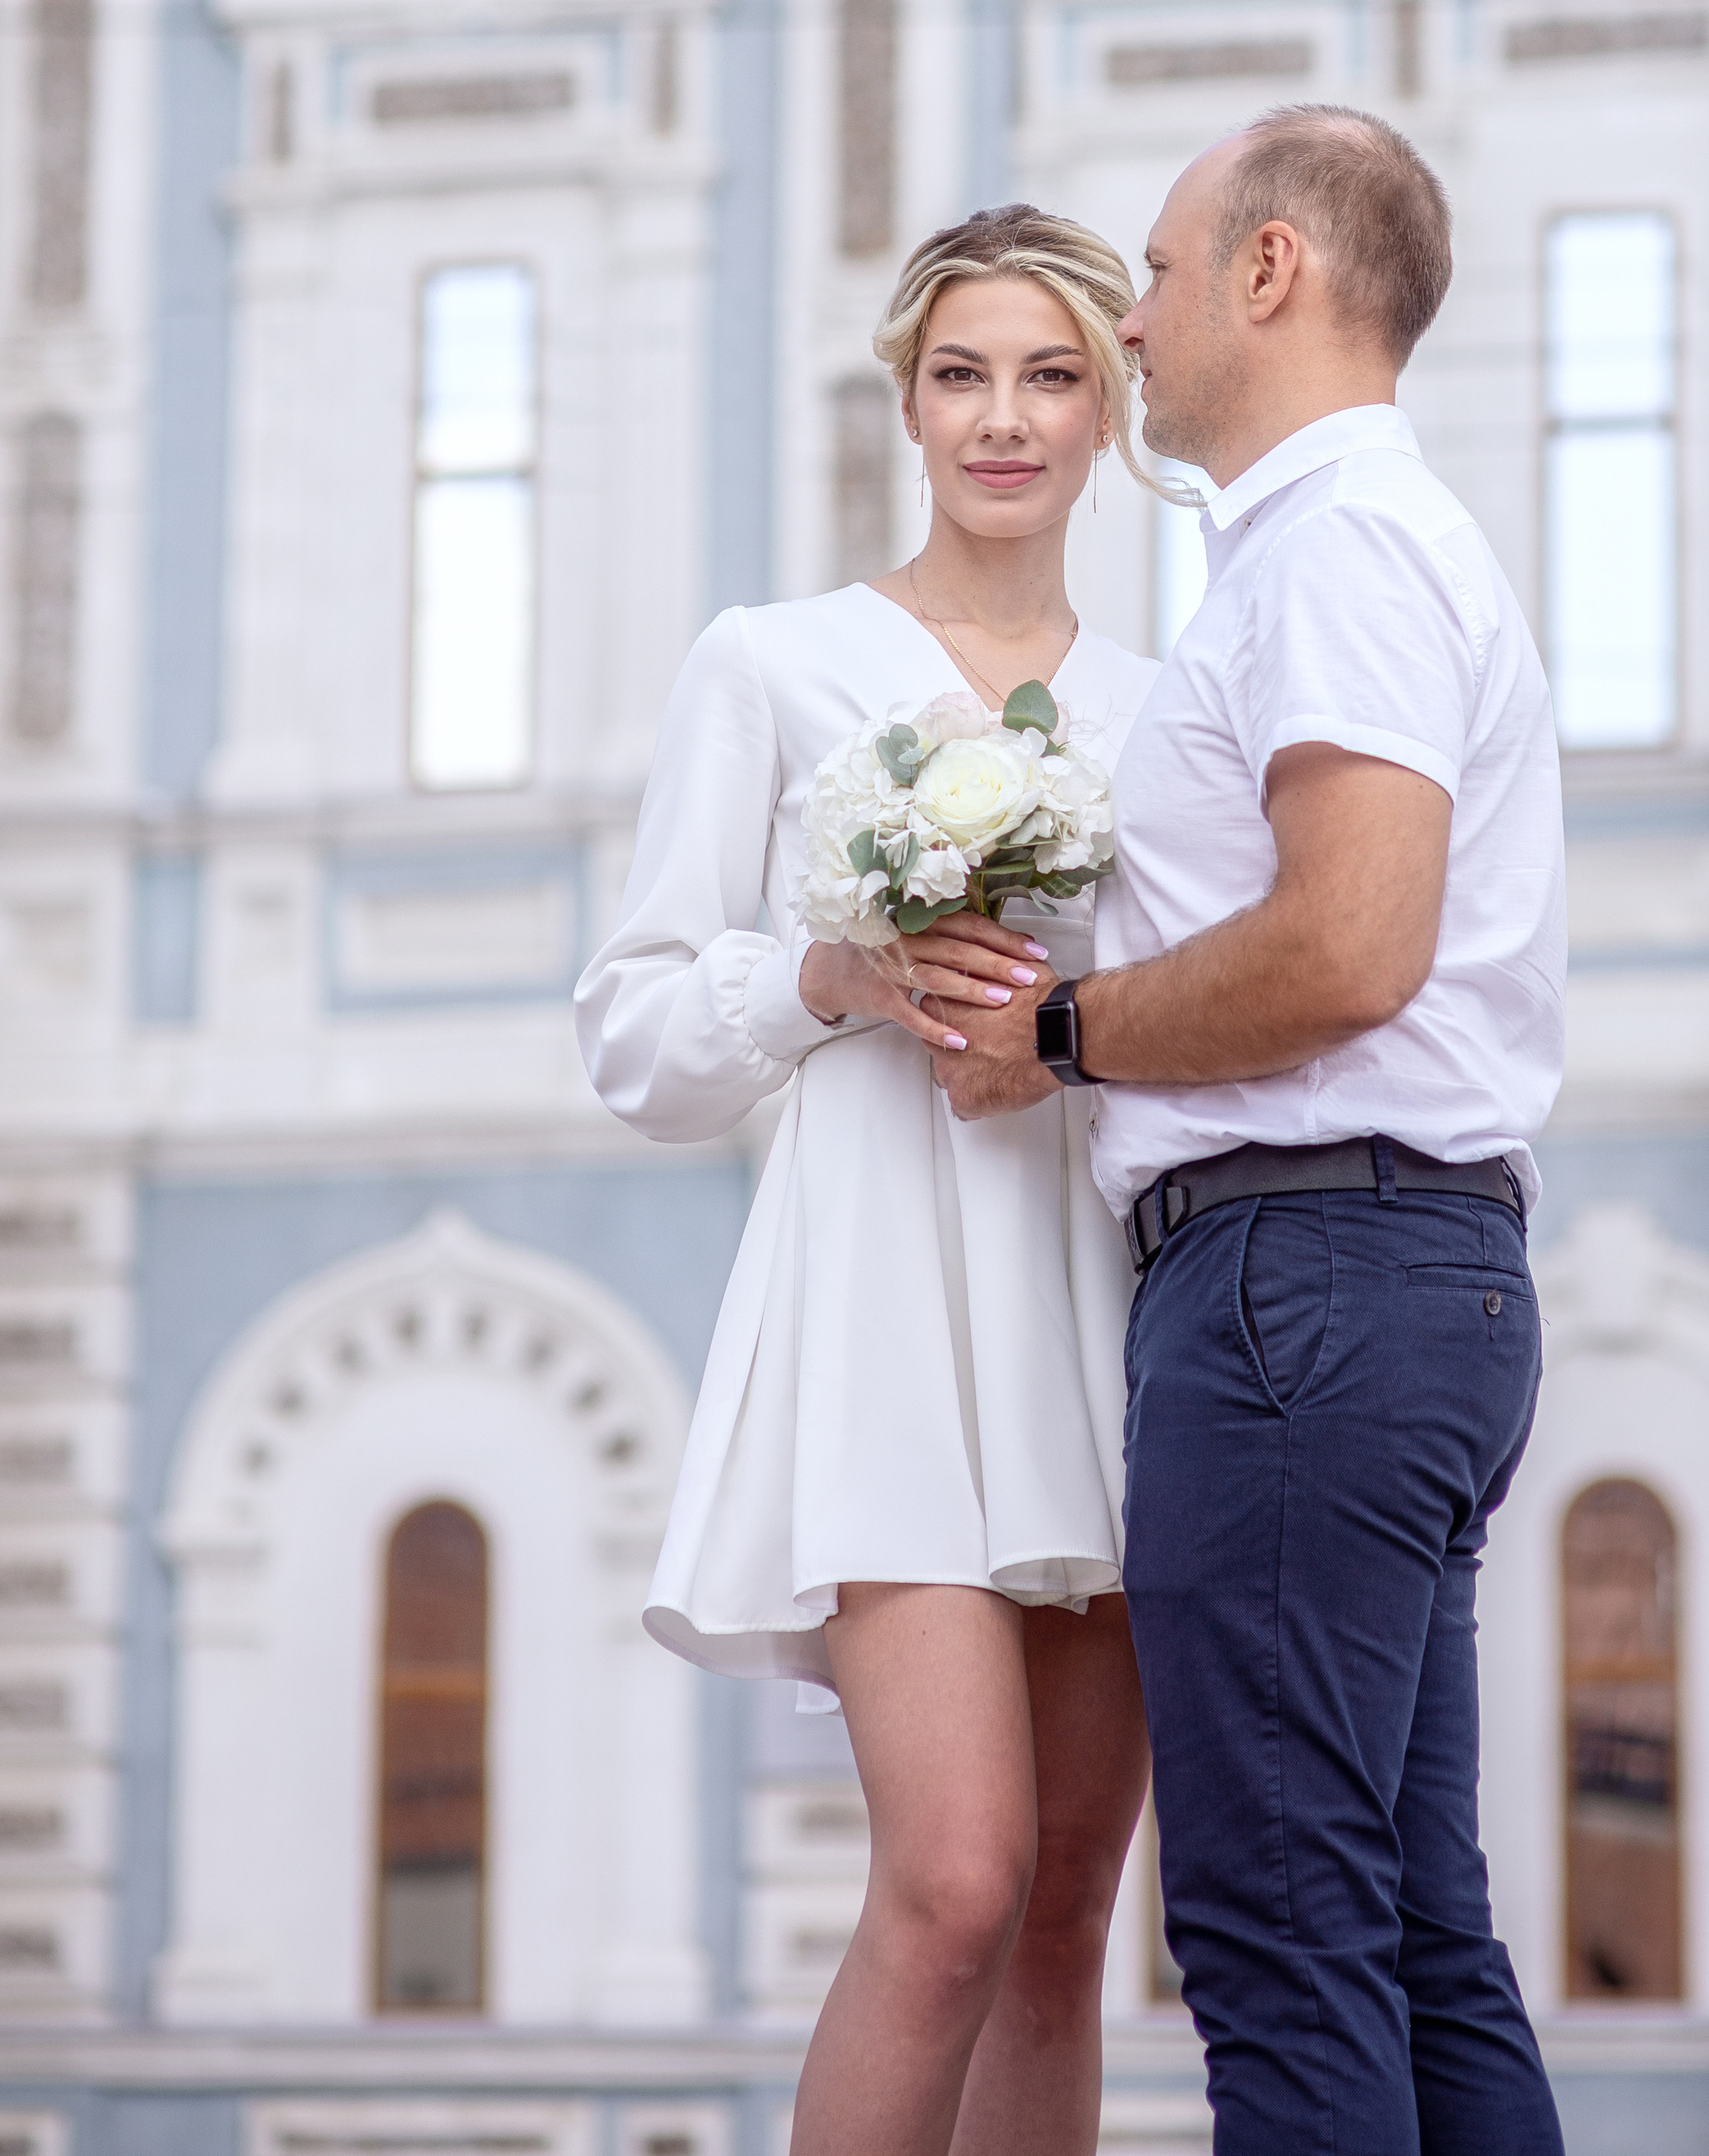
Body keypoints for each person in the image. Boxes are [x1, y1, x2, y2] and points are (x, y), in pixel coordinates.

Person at [938, 105, 1568, 2156]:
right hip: (1397, 1281)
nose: (1133, 324)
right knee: (1402, 1926)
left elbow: (1348, 942)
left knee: (1284, 1931)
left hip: (1303, 1283)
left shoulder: (1334, 549)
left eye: (1159, 271)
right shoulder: (1346, 548)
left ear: (1272, 273)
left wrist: (1058, 1022)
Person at [573, 205, 1159, 2156]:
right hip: (892, 1322)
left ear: (1109, 410)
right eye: (963, 375)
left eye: (1051, 375)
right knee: (954, 1884)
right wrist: (824, 975)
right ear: (905, 403)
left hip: (1102, 1310)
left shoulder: (1173, 708)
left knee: (1068, 1914)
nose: (1005, 418)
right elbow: (635, 1038)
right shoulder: (773, 663)